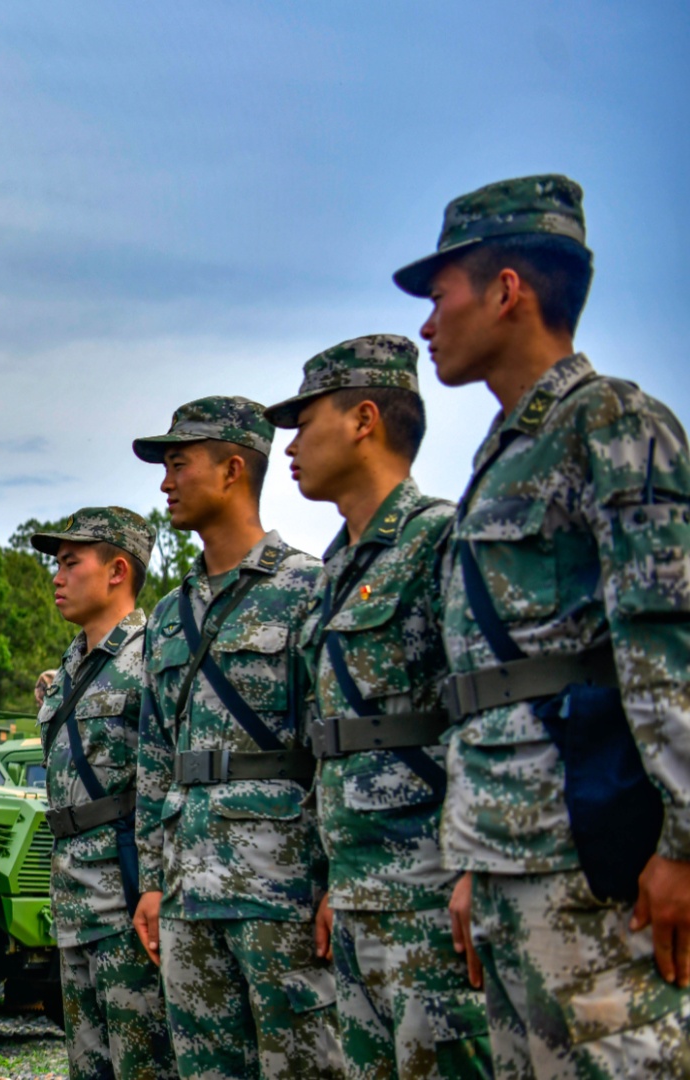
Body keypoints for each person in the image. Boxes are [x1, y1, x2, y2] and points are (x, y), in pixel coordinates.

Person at [397, 174, 690, 1075]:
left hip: (590, 853)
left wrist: (684, 843)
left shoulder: (613, 423)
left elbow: (666, 641)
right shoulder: (504, 452)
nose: (427, 323)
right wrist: (473, 856)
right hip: (510, 852)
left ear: (508, 290)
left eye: (441, 294)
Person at [266, 335, 493, 1078]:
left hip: (433, 899)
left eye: (305, 421)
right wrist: (334, 883)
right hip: (359, 901)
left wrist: (473, 870)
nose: (291, 445)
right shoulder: (332, 574)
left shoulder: (440, 542)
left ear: (365, 419)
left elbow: (478, 716)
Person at [128, 396, 343, 1079]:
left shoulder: (311, 588)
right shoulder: (167, 617)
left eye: (177, 464)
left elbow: (334, 744)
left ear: (231, 470)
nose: (165, 483)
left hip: (283, 890)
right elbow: (155, 757)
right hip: (190, 893)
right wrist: (153, 881)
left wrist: (337, 878)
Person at [32, 507, 179, 1080]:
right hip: (72, 895)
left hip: (128, 899)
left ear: (118, 570)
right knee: (87, 1065)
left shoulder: (149, 659)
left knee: (142, 1063)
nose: (57, 576)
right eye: (57, 564)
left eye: (71, 563)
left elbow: (163, 783)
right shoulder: (70, 666)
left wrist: (157, 884)